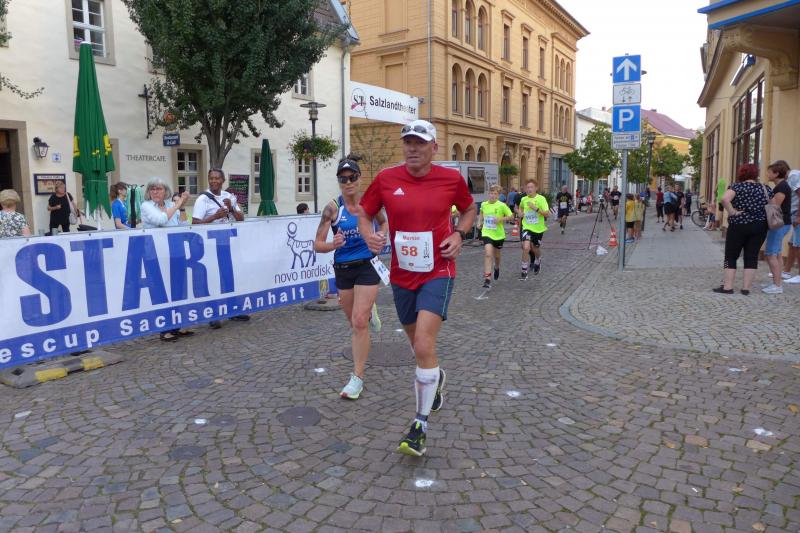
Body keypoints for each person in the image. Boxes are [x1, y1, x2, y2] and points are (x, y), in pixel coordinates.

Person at [357, 119, 476, 457]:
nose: (412, 148)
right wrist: (369, 235)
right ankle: (435, 377)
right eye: (408, 142)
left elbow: (469, 209)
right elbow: (365, 213)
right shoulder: (386, 179)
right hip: (402, 274)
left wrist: (459, 234)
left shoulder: (450, 179)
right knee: (417, 347)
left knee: (424, 342)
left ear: (433, 147)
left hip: (439, 269)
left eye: (419, 143)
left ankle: (419, 427)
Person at [314, 159, 387, 400]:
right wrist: (331, 244)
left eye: (352, 177)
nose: (348, 182)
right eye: (343, 179)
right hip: (343, 268)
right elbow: (317, 245)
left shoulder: (370, 203)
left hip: (367, 265)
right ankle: (369, 311)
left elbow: (384, 221)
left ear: (359, 178)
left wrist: (380, 235)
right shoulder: (332, 209)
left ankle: (357, 377)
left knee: (359, 322)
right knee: (353, 322)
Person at [192, 168, 248, 327]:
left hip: (226, 244)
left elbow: (241, 219)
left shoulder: (229, 197)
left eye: (217, 178)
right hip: (209, 246)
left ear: (223, 180)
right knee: (212, 279)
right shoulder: (203, 199)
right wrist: (214, 217)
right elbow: (194, 223)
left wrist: (231, 208)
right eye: (211, 178)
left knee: (228, 277)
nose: (214, 181)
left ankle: (232, 310)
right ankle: (213, 314)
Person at [140, 177, 194, 340]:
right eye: (152, 189)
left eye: (159, 188)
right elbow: (161, 220)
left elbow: (184, 225)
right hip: (155, 254)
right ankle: (165, 328)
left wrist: (182, 208)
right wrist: (178, 204)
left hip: (175, 252)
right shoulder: (146, 206)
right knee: (161, 291)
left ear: (166, 191)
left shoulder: (171, 205)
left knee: (178, 288)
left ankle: (177, 324)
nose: (155, 191)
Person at [713, 164, 769, 295]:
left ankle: (728, 287)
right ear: (756, 174)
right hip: (759, 226)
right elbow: (773, 205)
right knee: (752, 256)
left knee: (731, 256)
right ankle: (746, 288)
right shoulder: (765, 188)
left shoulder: (736, 187)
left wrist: (732, 212)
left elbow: (724, 199)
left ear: (742, 173)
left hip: (738, 225)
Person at [762, 160, 793, 294]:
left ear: (776, 173)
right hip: (782, 223)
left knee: (770, 254)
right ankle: (777, 281)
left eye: (769, 172)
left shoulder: (781, 187)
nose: (767, 174)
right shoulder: (781, 186)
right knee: (778, 254)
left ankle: (777, 285)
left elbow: (774, 207)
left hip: (779, 224)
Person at [477, 185, 513, 288]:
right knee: (488, 254)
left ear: (498, 195)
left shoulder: (502, 205)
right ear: (488, 194)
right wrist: (479, 222)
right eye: (491, 193)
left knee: (497, 256)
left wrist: (501, 219)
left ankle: (496, 267)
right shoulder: (484, 204)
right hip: (487, 232)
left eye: (495, 194)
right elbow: (481, 213)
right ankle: (487, 279)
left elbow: (511, 216)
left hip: (498, 235)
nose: (492, 195)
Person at [516, 179, 549, 280]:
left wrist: (536, 208)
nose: (529, 189)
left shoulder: (541, 199)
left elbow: (547, 214)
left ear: (536, 188)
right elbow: (520, 208)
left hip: (538, 229)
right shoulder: (524, 199)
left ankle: (538, 260)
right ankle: (524, 270)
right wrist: (520, 213)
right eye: (527, 187)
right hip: (527, 227)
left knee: (535, 249)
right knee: (526, 247)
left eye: (531, 187)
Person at [784, 170, 800, 284]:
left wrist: (799, 217)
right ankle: (786, 271)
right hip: (794, 214)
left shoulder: (793, 176)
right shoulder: (793, 176)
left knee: (798, 245)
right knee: (792, 243)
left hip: (797, 215)